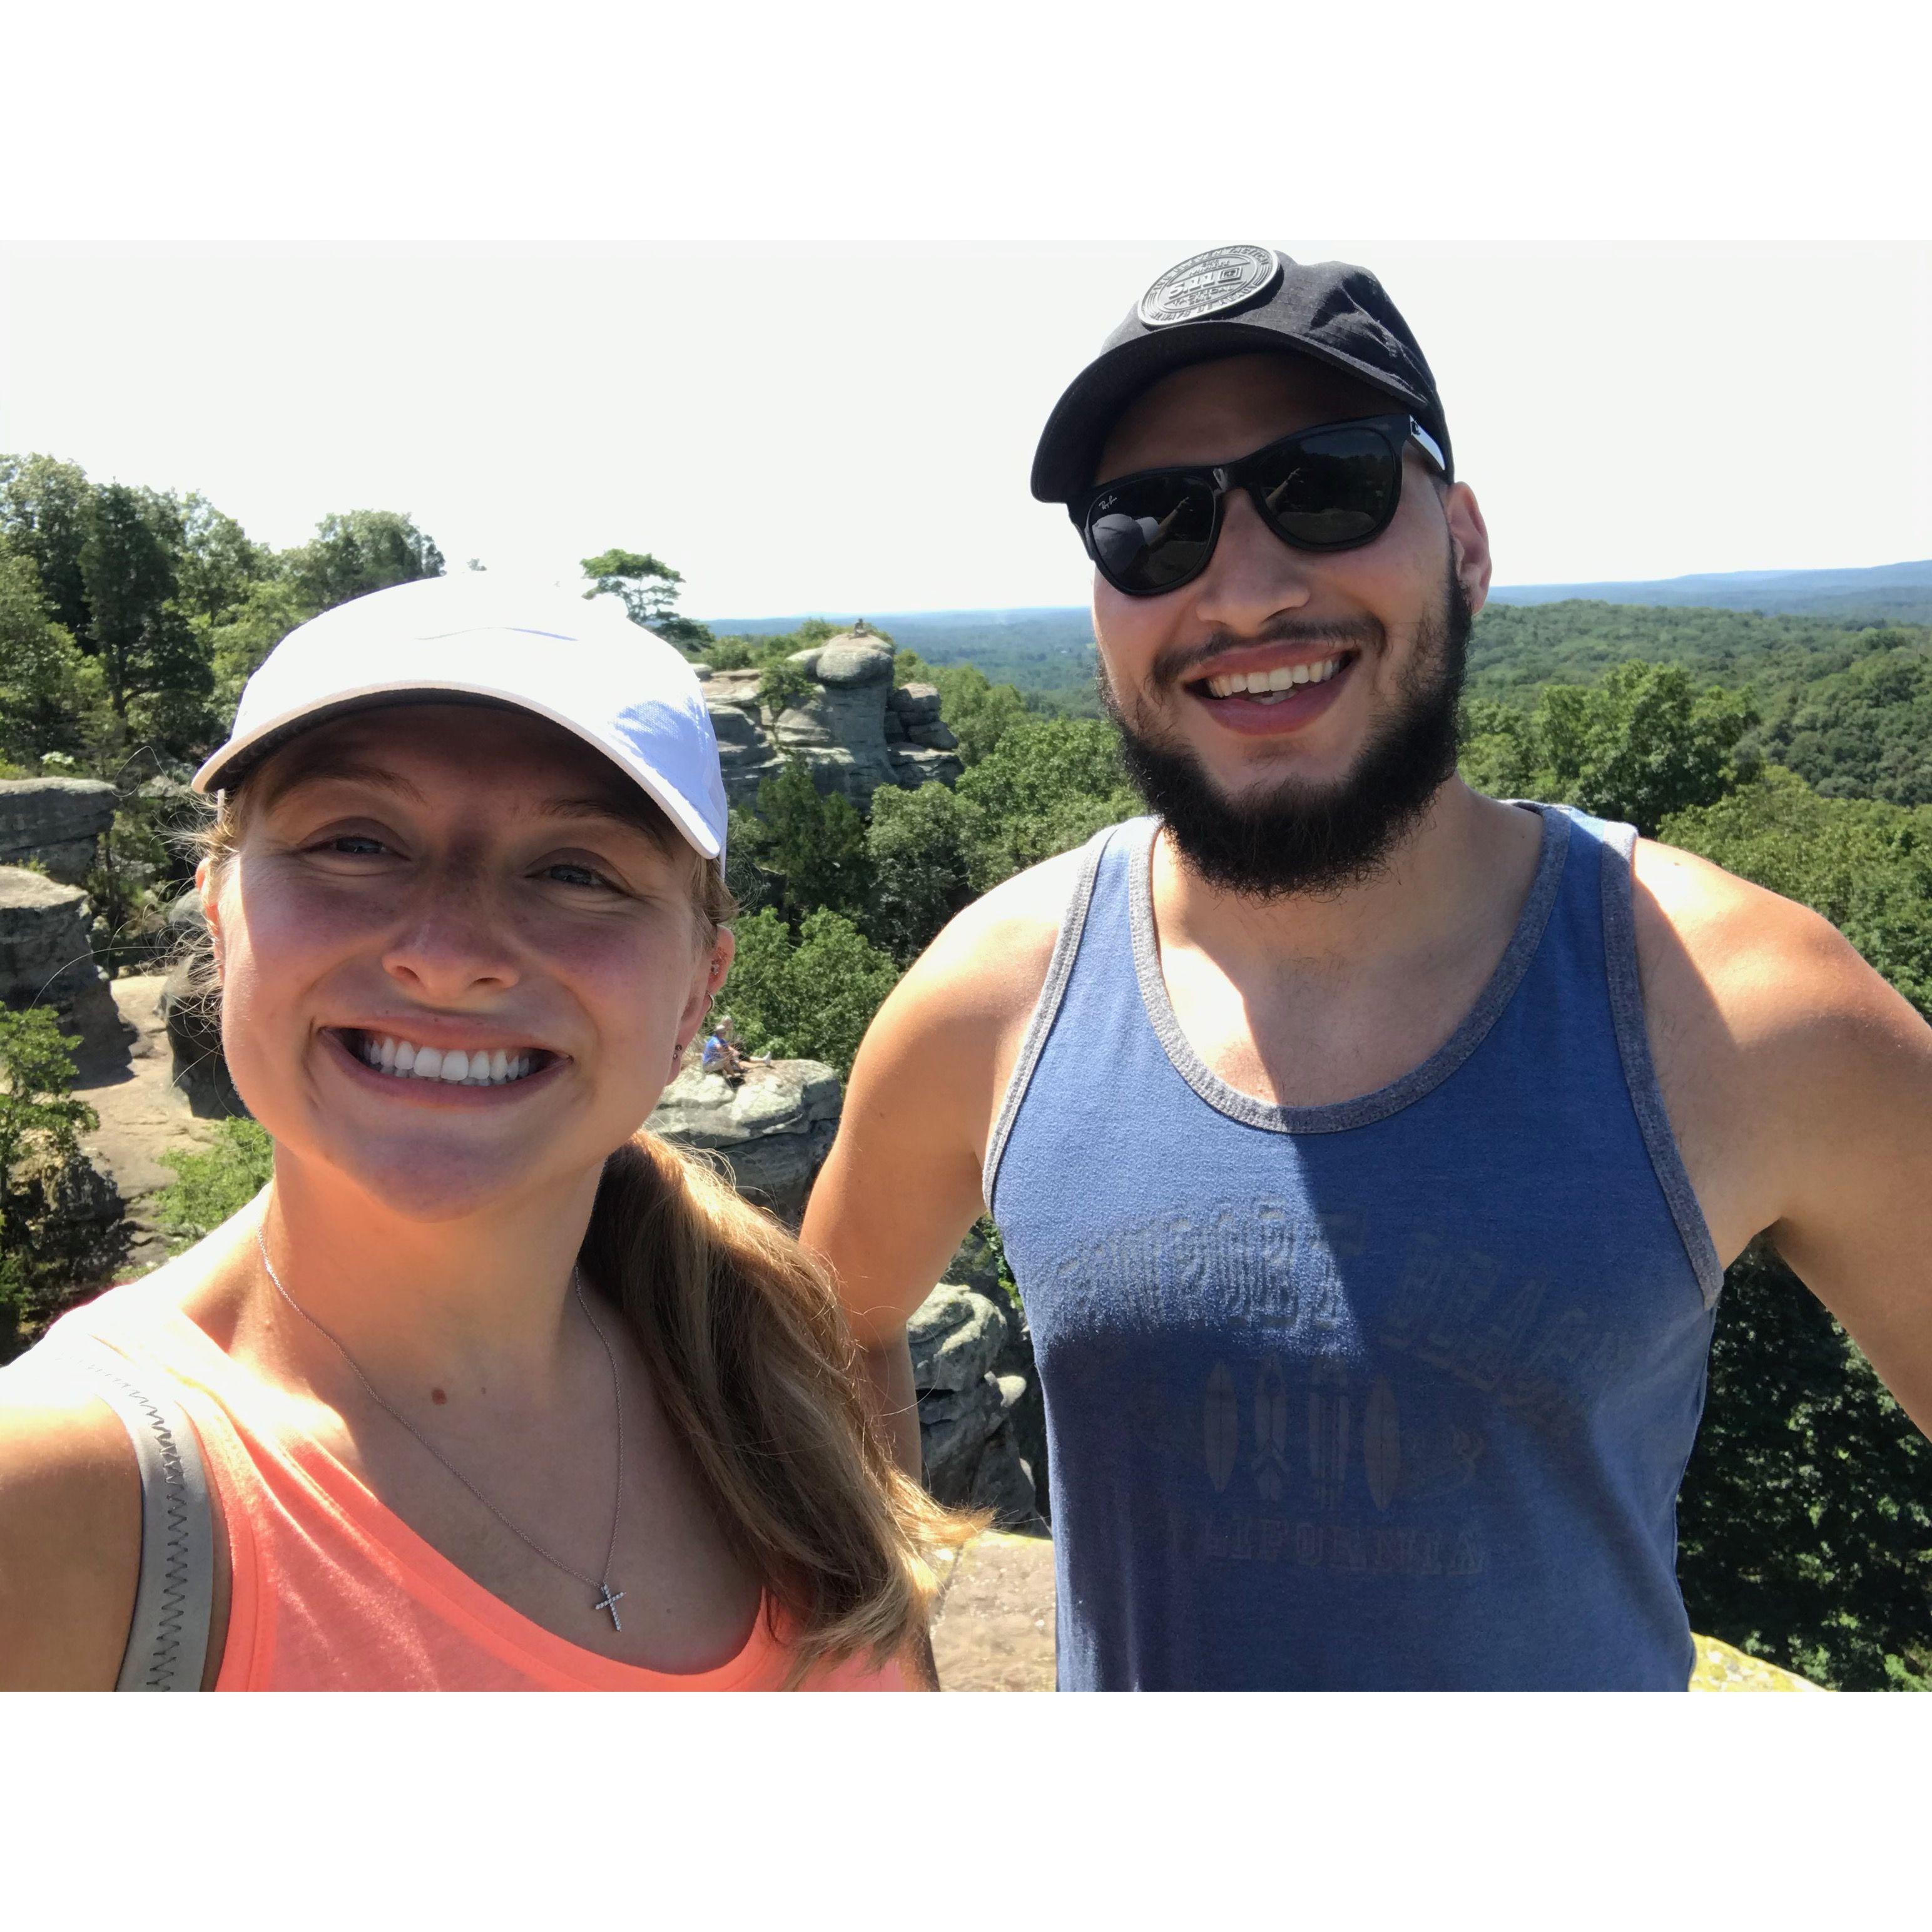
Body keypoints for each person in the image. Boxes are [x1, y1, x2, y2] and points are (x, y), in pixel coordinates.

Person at [800, 245, 1932, 1690]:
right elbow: (822, 1329)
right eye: (1151, 523)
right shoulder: (995, 993)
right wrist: (866, 1672)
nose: (1244, 585)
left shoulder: (1745, 1007)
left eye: (1323, 486)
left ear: (1460, 540)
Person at [0, 576, 964, 1690]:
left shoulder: (774, 1363)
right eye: (356, 843)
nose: (451, 951)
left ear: (698, 994)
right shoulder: (65, 1501)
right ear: (219, 914)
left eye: (575, 872)